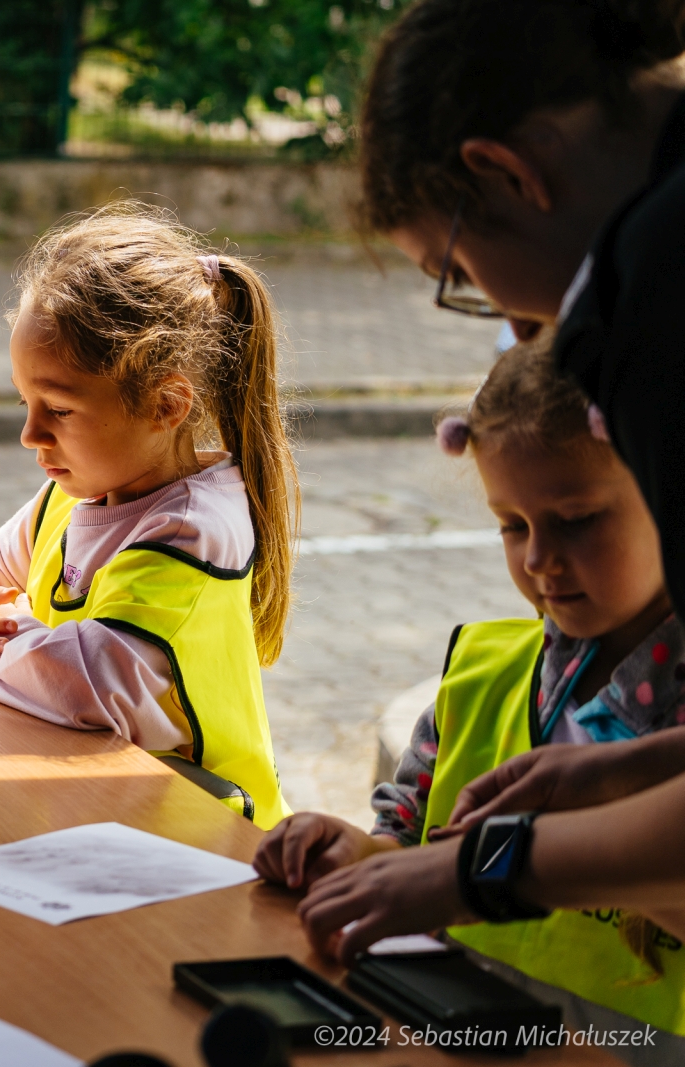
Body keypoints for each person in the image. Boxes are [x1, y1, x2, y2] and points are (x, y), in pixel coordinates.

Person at [281, 0, 685, 965]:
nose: (507, 320)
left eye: (457, 270)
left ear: (505, 172)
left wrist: (475, 871)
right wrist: (632, 766)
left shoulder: (658, 303)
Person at [254, 342, 685, 1054]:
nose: (539, 558)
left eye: (576, 518)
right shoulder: (482, 672)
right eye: (512, 525)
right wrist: (357, 854)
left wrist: (535, 854)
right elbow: (414, 829)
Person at [0, 205, 298, 828]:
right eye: (24, 400)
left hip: (202, 828)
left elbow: (83, 686)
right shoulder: (78, 493)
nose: (30, 434)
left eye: (58, 408)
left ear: (165, 404)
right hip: (100, 806)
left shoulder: (193, 529)